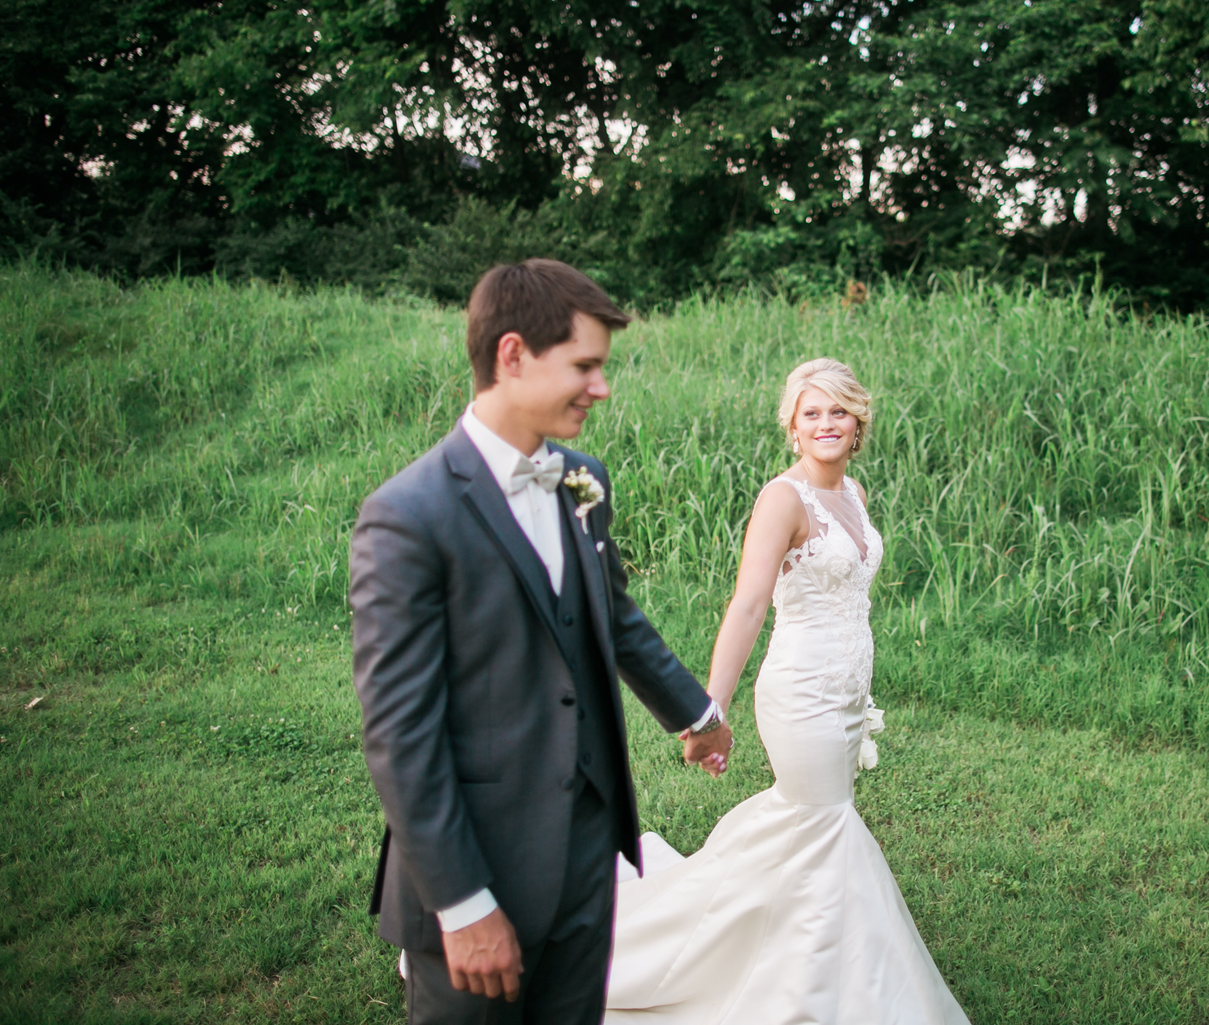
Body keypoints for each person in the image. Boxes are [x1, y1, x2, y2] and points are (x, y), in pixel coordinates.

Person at [349, 259, 734, 1025]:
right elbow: (401, 732)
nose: (602, 387)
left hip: (588, 851)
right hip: (479, 860)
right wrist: (462, 904)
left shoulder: (581, 480)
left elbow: (613, 617)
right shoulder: (406, 516)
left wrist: (697, 713)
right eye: (585, 366)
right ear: (513, 354)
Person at [603, 358, 971, 1024]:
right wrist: (707, 707)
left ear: (858, 423)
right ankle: (824, 989)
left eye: (839, 411)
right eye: (812, 412)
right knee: (825, 821)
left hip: (849, 690)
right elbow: (747, 605)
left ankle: (803, 961)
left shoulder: (851, 492)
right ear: (793, 428)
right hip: (801, 692)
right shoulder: (784, 498)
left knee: (809, 829)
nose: (826, 423)